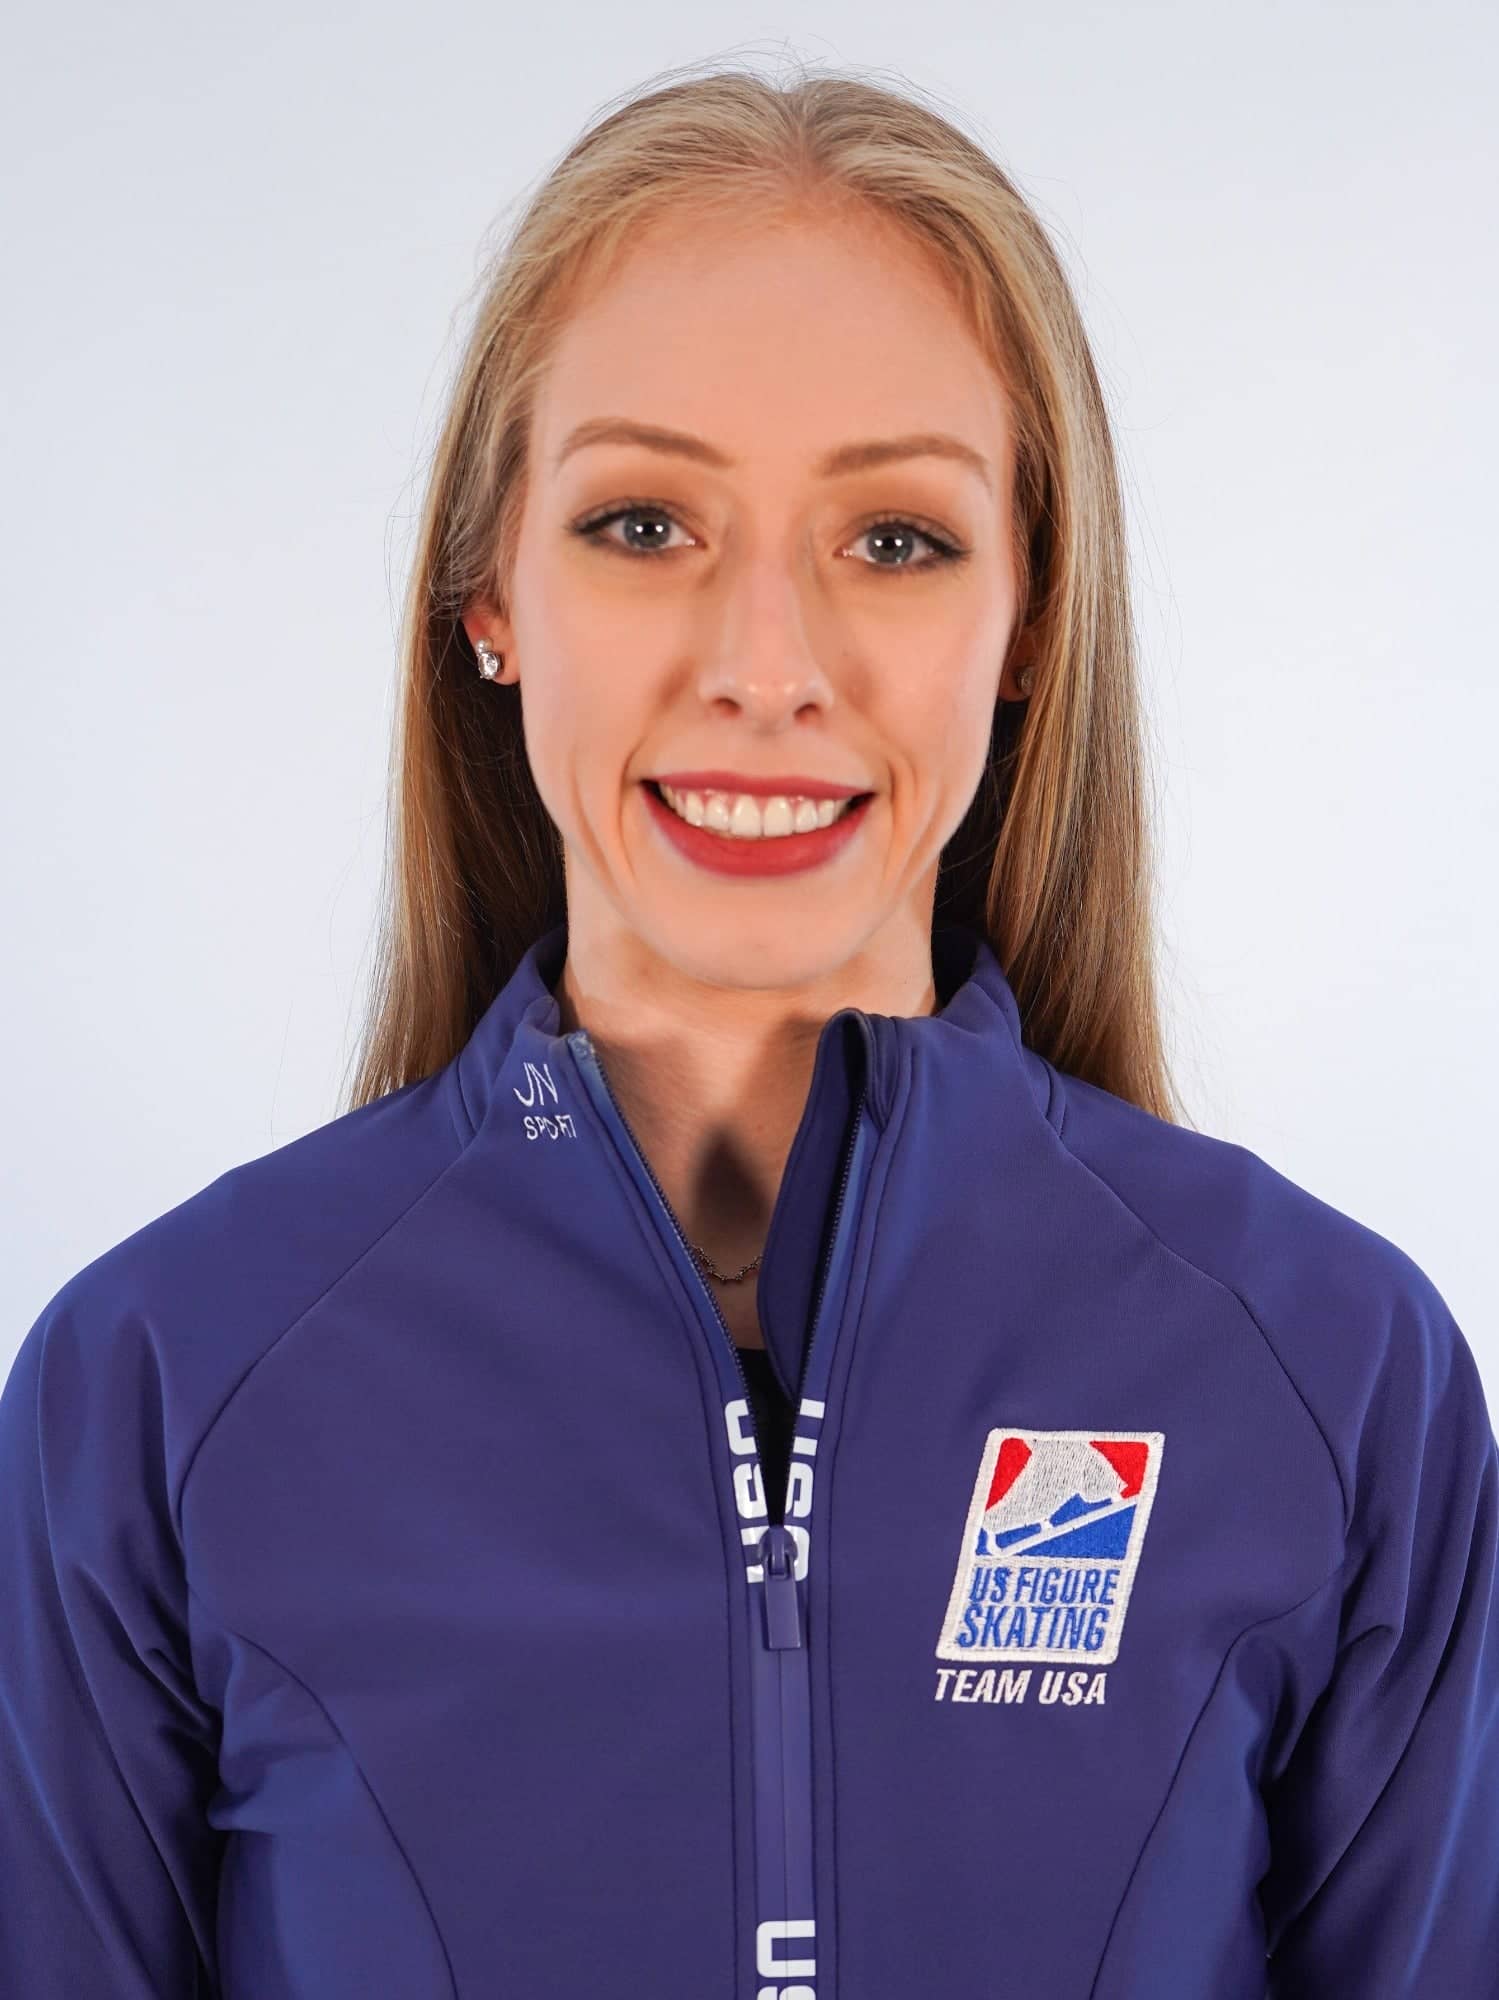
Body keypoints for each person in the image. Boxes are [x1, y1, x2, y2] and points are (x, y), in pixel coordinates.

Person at [1, 58, 1495, 2000]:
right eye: (643, 524)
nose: (765, 669)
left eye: (895, 538)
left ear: (1032, 611)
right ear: (488, 594)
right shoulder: (157, 1392)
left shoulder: (1330, 1372)